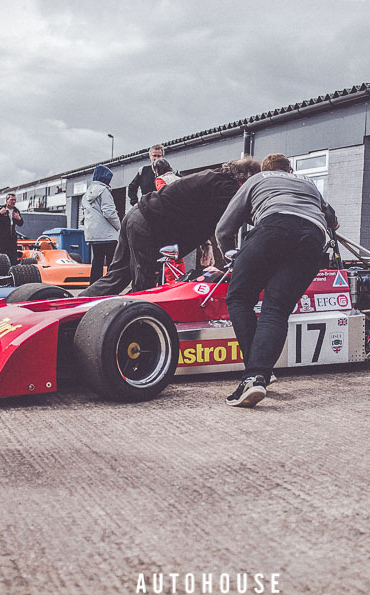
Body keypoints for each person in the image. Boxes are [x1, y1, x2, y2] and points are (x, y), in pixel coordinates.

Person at [216, 153, 339, 407]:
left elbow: (224, 227)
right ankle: (258, 373)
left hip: (273, 227)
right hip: (313, 238)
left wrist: (231, 255)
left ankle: (255, 375)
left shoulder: (257, 179)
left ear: (265, 169)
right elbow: (332, 219)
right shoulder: (308, 183)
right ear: (290, 170)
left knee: (239, 297)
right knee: (277, 308)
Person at [81, 157, 261, 297]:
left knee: (117, 276)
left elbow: (199, 212)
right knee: (144, 286)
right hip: (147, 223)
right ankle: (136, 325)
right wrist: (233, 259)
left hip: (137, 216)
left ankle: (69, 306)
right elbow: (228, 227)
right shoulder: (228, 188)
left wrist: (206, 246)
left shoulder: (215, 179)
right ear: (246, 179)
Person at [81, 165, 121, 284]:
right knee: (111, 263)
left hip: (93, 234)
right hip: (108, 235)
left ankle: (94, 287)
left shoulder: (87, 193)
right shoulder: (104, 191)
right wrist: (119, 226)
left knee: (97, 262)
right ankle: (110, 287)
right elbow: (109, 213)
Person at [0, 193, 23, 265]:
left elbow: (21, 224)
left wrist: (19, 218)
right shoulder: (0, 209)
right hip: (1, 238)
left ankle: (12, 272)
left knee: (13, 258)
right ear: (7, 200)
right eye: (11, 200)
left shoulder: (16, 211)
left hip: (11, 239)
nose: (13, 202)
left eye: (15, 200)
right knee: (0, 258)